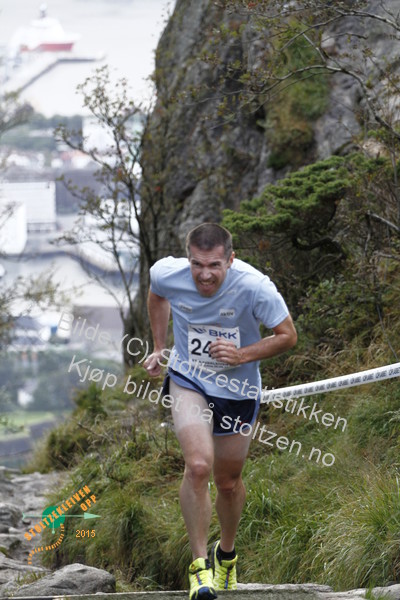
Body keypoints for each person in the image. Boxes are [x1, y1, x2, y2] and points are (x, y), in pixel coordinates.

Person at [144, 223, 297, 600]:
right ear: (188, 259)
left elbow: (287, 335)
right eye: (197, 264)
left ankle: (225, 555)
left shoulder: (255, 286)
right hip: (189, 379)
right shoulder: (168, 273)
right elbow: (157, 294)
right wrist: (160, 346)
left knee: (228, 482)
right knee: (198, 466)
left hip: (238, 390)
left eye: (214, 265)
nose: (205, 275)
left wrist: (241, 355)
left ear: (231, 259)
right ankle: (199, 569)